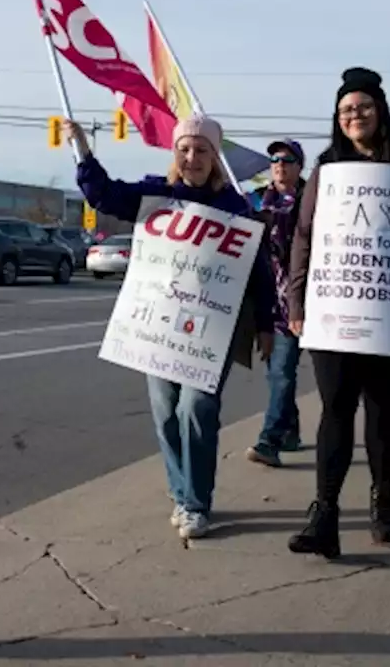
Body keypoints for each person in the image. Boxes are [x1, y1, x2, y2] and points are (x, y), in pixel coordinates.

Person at [70, 115, 276, 540]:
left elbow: (257, 269)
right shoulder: (156, 194)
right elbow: (102, 196)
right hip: (159, 327)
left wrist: (265, 324)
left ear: (215, 158)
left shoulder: (235, 207)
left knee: (196, 408)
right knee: (166, 413)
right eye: (184, 148)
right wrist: (84, 152)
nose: (192, 157)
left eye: (201, 150)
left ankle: (197, 503)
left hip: (212, 328)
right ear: (174, 153)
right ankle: (182, 493)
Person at [286, 68, 390, 557]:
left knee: (382, 407)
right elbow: (304, 237)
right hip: (334, 304)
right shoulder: (325, 169)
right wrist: (297, 301)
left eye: (362, 107)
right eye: (344, 110)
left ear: (380, 111)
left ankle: (383, 501)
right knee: (335, 407)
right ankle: (325, 514)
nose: (353, 115)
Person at [246, 138, 307, 466]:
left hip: (301, 299)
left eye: (287, 159)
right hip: (268, 300)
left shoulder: (314, 200)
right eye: (274, 160)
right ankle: (290, 431)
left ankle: (269, 440)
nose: (280, 165)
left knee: (282, 372)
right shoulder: (257, 201)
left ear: (300, 166)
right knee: (277, 372)